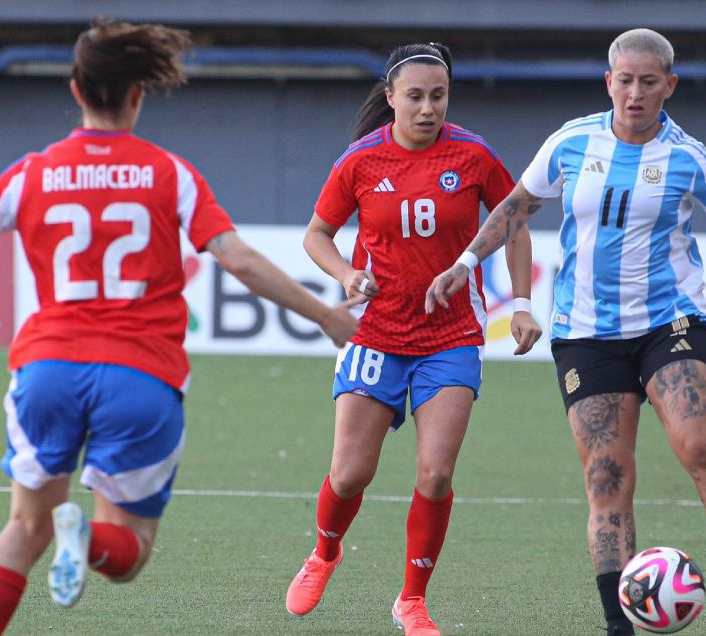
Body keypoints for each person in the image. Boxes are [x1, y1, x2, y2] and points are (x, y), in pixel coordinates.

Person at [0, 19, 360, 636]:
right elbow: (237, 259)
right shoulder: (168, 174)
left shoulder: (32, 173)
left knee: (24, 529)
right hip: (140, 376)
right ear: (138, 95)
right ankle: (89, 540)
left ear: (76, 90)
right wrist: (326, 317)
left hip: (47, 369)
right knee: (129, 552)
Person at [426, 28, 706, 636]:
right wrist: (465, 263)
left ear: (668, 87)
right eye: (624, 80)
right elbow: (515, 208)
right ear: (608, 82)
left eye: (648, 82)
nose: (635, 93)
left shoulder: (689, 157)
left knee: (698, 447)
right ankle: (618, 626)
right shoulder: (571, 141)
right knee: (606, 474)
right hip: (586, 333)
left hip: (669, 322)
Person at [285, 42, 541, 636]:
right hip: (375, 334)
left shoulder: (474, 155)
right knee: (349, 475)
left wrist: (523, 304)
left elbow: (516, 223)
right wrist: (347, 274)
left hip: (450, 336)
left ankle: (411, 600)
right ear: (391, 98)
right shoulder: (360, 160)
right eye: (416, 97)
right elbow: (318, 235)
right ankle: (324, 554)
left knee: (435, 475)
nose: (428, 108)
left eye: (439, 96)